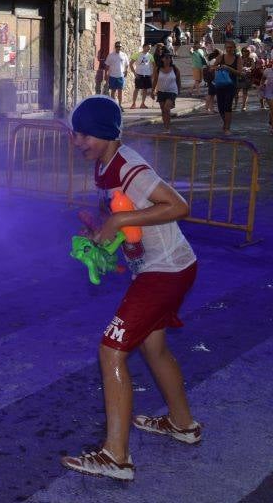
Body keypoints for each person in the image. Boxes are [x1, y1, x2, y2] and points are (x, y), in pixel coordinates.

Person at [62, 96, 199, 482]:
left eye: (84, 134)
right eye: (75, 135)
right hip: (163, 269)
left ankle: (116, 457)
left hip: (165, 271)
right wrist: (103, 229)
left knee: (111, 351)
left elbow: (177, 206)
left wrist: (120, 219)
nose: (77, 142)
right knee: (153, 347)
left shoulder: (130, 166)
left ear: (104, 133)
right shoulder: (104, 165)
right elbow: (125, 219)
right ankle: (182, 424)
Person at [211, 41, 245, 135]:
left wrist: (228, 68)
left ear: (234, 48)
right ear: (225, 48)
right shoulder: (221, 57)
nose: (229, 49)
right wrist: (217, 67)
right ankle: (225, 124)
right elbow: (211, 67)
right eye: (227, 47)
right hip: (219, 84)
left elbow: (240, 73)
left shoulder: (238, 58)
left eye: (231, 47)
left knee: (227, 106)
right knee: (220, 107)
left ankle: (227, 128)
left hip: (231, 85)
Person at [152, 53, 181, 132]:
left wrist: (179, 90)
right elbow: (155, 80)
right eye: (167, 58)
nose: (168, 59)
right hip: (161, 91)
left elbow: (178, 80)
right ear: (162, 59)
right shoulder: (158, 69)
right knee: (163, 110)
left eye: (170, 58)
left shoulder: (175, 69)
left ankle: (168, 127)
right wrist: (152, 91)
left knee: (166, 108)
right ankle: (165, 126)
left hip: (172, 91)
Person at [103, 41, 130, 108]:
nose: (118, 48)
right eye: (117, 46)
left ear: (121, 47)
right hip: (112, 75)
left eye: (120, 46)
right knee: (113, 91)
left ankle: (120, 105)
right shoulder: (110, 55)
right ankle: (113, 105)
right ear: (115, 47)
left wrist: (126, 71)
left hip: (120, 76)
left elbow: (127, 64)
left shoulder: (124, 55)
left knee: (120, 91)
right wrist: (106, 74)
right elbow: (107, 66)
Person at [130, 43, 154, 109]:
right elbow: (131, 63)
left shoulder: (150, 56)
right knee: (136, 89)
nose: (149, 49)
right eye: (148, 47)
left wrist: (153, 74)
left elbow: (154, 65)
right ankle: (133, 103)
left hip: (147, 74)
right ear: (144, 47)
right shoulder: (137, 54)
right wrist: (134, 73)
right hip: (139, 74)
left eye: (150, 48)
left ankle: (142, 103)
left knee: (145, 89)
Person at [237, 46, 258, 111]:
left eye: (247, 51)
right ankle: (235, 104)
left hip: (247, 76)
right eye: (244, 51)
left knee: (245, 91)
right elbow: (236, 66)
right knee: (236, 91)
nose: (246, 52)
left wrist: (248, 68)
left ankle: (244, 105)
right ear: (242, 52)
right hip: (239, 76)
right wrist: (242, 68)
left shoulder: (251, 59)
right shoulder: (239, 58)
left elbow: (253, 67)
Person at [261, 61, 273, 133]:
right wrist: (261, 85)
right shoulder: (267, 71)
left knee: (272, 110)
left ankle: (271, 121)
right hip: (269, 93)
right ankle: (272, 127)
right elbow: (263, 79)